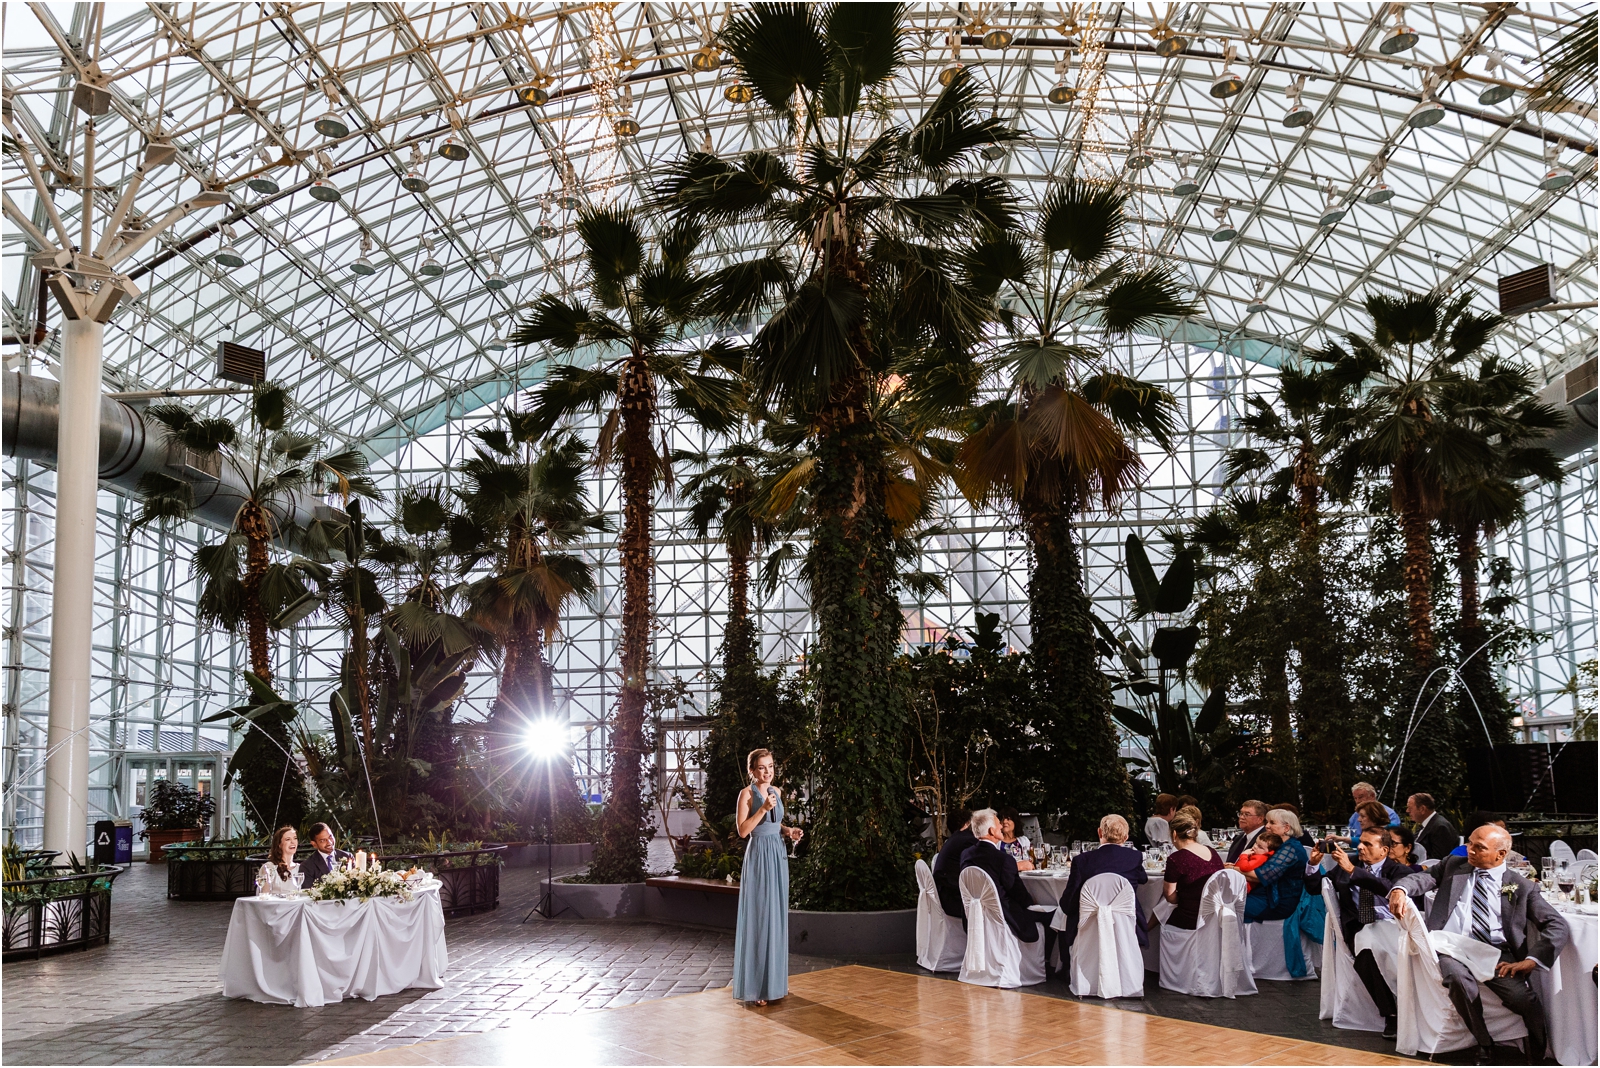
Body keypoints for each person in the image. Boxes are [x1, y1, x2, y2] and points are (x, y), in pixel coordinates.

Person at [1389, 825, 1570, 1064]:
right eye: (1470, 843)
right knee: (1458, 980)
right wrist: (1401, 889)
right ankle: (1484, 1043)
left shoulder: (1522, 886)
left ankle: (1537, 1053)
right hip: (1450, 946)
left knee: (1524, 999)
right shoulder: (1454, 866)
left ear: (1501, 854)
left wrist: (1531, 960)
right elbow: (1423, 878)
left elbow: (1557, 925)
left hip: (1495, 953)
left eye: (1479, 847)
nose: (1470, 850)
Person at [733, 748, 802, 1005]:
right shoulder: (746, 794)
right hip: (759, 857)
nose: (768, 771)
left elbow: (775, 823)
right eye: (762, 767)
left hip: (778, 855)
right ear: (752, 770)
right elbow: (743, 831)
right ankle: (757, 989)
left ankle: (775, 984)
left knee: (776, 915)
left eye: (771, 766)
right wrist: (761, 808)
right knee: (760, 917)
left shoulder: (777, 792)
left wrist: (788, 831)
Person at [1330, 828, 1413, 1038]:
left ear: (1384, 850)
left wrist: (1354, 872)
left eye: (1367, 844)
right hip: (1362, 925)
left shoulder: (1398, 870)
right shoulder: (1349, 865)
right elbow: (1316, 887)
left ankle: (1411, 1006)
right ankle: (1391, 1014)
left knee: (1394, 954)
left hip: (1395, 926)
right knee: (1366, 952)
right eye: (1360, 843)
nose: (1360, 847)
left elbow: (1387, 887)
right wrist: (1312, 865)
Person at [1059, 814, 1148, 953]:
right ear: (1126, 837)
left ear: (1099, 832)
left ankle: (1063, 966)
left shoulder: (1081, 860)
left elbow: (1067, 904)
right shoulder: (1134, 857)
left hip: (1089, 927)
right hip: (1125, 925)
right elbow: (1143, 879)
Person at [959, 809, 1040, 943]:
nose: (1002, 826)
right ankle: (1050, 961)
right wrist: (1035, 902)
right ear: (991, 831)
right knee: (1051, 916)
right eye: (998, 824)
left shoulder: (966, 854)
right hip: (1002, 916)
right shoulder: (1003, 859)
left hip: (974, 916)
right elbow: (1018, 893)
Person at [1236, 809, 1307, 922]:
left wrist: (1233, 869)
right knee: (1224, 902)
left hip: (1278, 902)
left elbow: (1261, 876)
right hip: (1266, 895)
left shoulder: (1291, 849)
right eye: (1267, 822)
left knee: (1229, 907)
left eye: (1272, 823)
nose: (1267, 826)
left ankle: (1235, 938)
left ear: (1286, 828)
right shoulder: (1280, 845)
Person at [1162, 810, 1225, 931]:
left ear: (1174, 834)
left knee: (1162, 913)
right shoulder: (1212, 851)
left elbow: (1170, 896)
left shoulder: (1176, 858)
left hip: (1190, 917)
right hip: (1214, 914)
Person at [933, 808, 976, 920]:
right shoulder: (967, 841)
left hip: (944, 896)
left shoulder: (953, 840)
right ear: (968, 823)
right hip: (955, 900)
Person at [1406, 792, 1459, 862]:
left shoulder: (1440, 827)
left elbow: (1438, 858)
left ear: (1422, 809)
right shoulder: (1428, 824)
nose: (1407, 811)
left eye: (1410, 808)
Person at [258, 826, 302, 894]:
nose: (293, 842)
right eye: (288, 839)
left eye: (295, 838)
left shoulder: (300, 868)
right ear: (279, 844)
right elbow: (264, 895)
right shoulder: (269, 867)